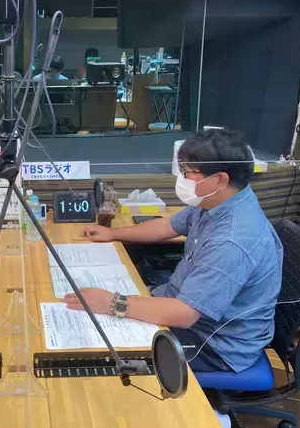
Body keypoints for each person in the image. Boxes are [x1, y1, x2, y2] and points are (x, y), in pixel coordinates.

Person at [66, 130, 282, 373]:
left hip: (213, 344)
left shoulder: (233, 240)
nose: (182, 179)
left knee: (105, 354)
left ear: (220, 180)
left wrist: (111, 302)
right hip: (181, 308)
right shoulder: (215, 201)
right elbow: (166, 226)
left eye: (188, 173)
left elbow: (185, 314)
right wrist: (113, 233)